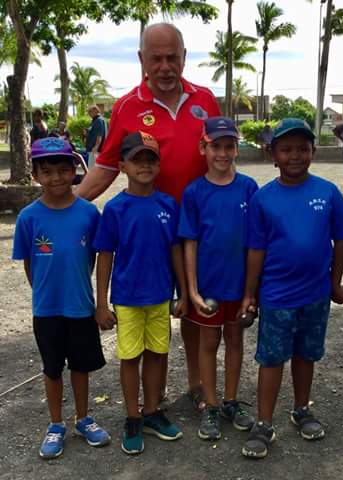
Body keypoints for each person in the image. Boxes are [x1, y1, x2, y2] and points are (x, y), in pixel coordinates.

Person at [76, 23, 221, 410]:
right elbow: (107, 165)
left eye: (172, 57)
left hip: (199, 232)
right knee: (152, 309)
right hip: (151, 235)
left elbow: (221, 155)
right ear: (142, 59)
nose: (165, 66)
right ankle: (151, 401)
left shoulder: (205, 100)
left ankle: (196, 383)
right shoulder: (127, 106)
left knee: (194, 308)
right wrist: (71, 201)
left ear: (184, 57)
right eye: (155, 58)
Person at [240, 118, 343, 459]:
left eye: (302, 149)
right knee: (272, 358)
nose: (295, 156)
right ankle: (263, 423)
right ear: (273, 154)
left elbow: (340, 240)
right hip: (276, 296)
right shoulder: (263, 199)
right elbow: (256, 250)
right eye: (286, 149)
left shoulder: (327, 192)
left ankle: (301, 409)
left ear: (313, 152)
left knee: (306, 355)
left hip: (316, 294)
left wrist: (334, 283)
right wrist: (250, 294)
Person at [12, 137, 110, 459]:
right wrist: (44, 293)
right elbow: (30, 263)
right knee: (52, 369)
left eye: (63, 170)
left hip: (80, 307)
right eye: (47, 171)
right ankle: (56, 424)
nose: (56, 178)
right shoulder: (28, 217)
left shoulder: (88, 214)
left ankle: (83, 418)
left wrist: (94, 301)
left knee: (80, 367)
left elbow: (93, 259)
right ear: (36, 174)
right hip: (47, 310)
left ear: (74, 171)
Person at [94, 131, 186, 455]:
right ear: (122, 166)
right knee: (130, 357)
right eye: (137, 160)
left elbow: (177, 251)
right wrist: (101, 304)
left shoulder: (168, 205)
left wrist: (184, 292)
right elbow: (104, 255)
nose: (144, 165)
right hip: (128, 298)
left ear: (158, 166)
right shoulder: (116, 209)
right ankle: (132, 416)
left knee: (158, 354)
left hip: (161, 296)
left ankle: (151, 411)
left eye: (151, 159)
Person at [178, 117, 258, 441]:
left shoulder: (249, 188)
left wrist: (252, 292)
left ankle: (230, 401)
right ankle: (210, 404)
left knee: (236, 341)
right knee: (208, 343)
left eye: (229, 146)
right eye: (215, 146)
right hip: (209, 287)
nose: (222, 153)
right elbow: (189, 242)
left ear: (237, 149)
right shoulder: (195, 192)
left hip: (239, 287)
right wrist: (192, 290)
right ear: (203, 148)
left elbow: (256, 243)